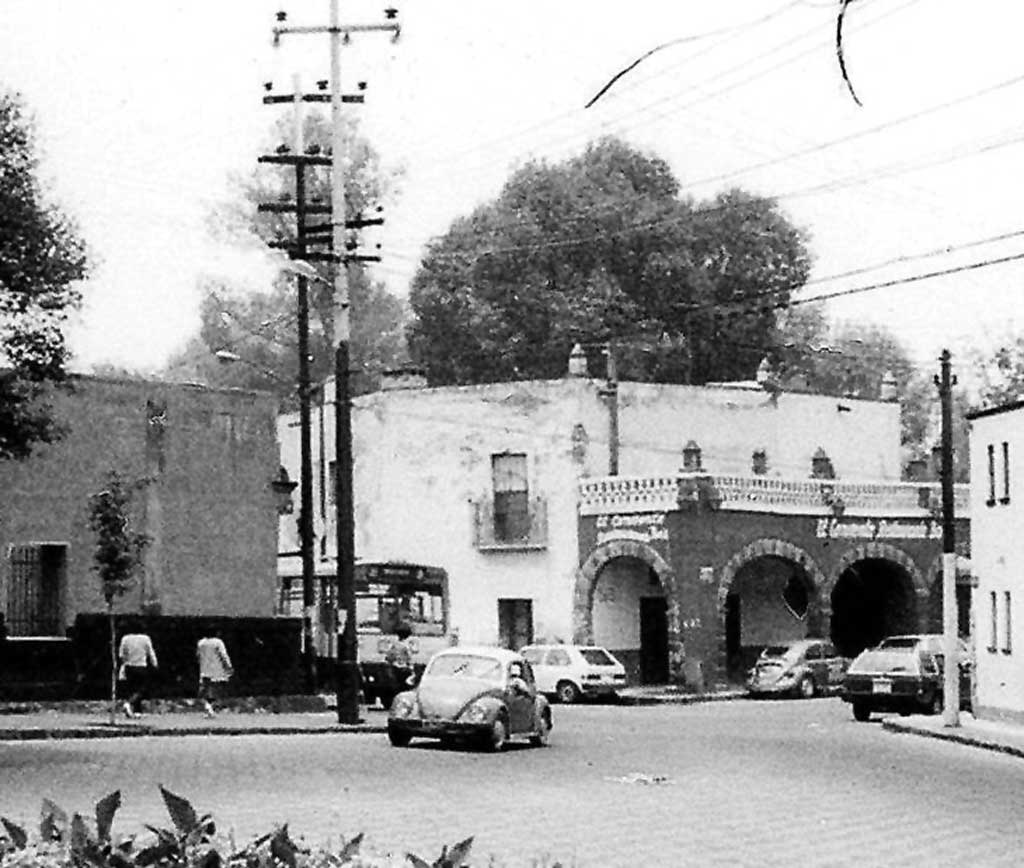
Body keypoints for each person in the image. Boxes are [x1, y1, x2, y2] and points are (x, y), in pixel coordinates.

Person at [118, 623, 158, 718]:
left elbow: (121, 655)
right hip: (141, 666)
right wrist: (155, 663)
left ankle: (137, 711)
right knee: (142, 689)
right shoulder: (145, 638)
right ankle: (129, 703)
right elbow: (150, 652)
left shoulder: (125, 638)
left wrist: (124, 663)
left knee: (132, 688)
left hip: (129, 666)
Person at [196, 629, 233, 717]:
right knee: (216, 690)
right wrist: (229, 666)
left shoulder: (201, 643)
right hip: (217, 671)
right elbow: (223, 655)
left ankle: (209, 709)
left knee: (205, 691)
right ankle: (210, 709)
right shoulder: (218, 642)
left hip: (204, 670)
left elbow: (198, 656)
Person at [384, 623, 415, 696]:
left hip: (395, 668)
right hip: (404, 669)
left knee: (397, 687)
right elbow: (409, 658)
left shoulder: (394, 645)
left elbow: (389, 657)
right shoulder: (406, 646)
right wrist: (411, 668)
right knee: (405, 687)